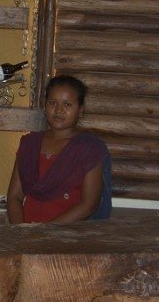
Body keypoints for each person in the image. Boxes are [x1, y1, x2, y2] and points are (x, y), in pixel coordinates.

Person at [6, 75, 112, 224]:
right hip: (27, 232)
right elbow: (14, 197)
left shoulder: (88, 148)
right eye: (52, 103)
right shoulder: (30, 144)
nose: (59, 110)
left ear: (80, 109)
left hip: (67, 235)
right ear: (45, 106)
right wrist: (20, 231)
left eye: (67, 104)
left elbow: (89, 205)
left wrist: (45, 232)